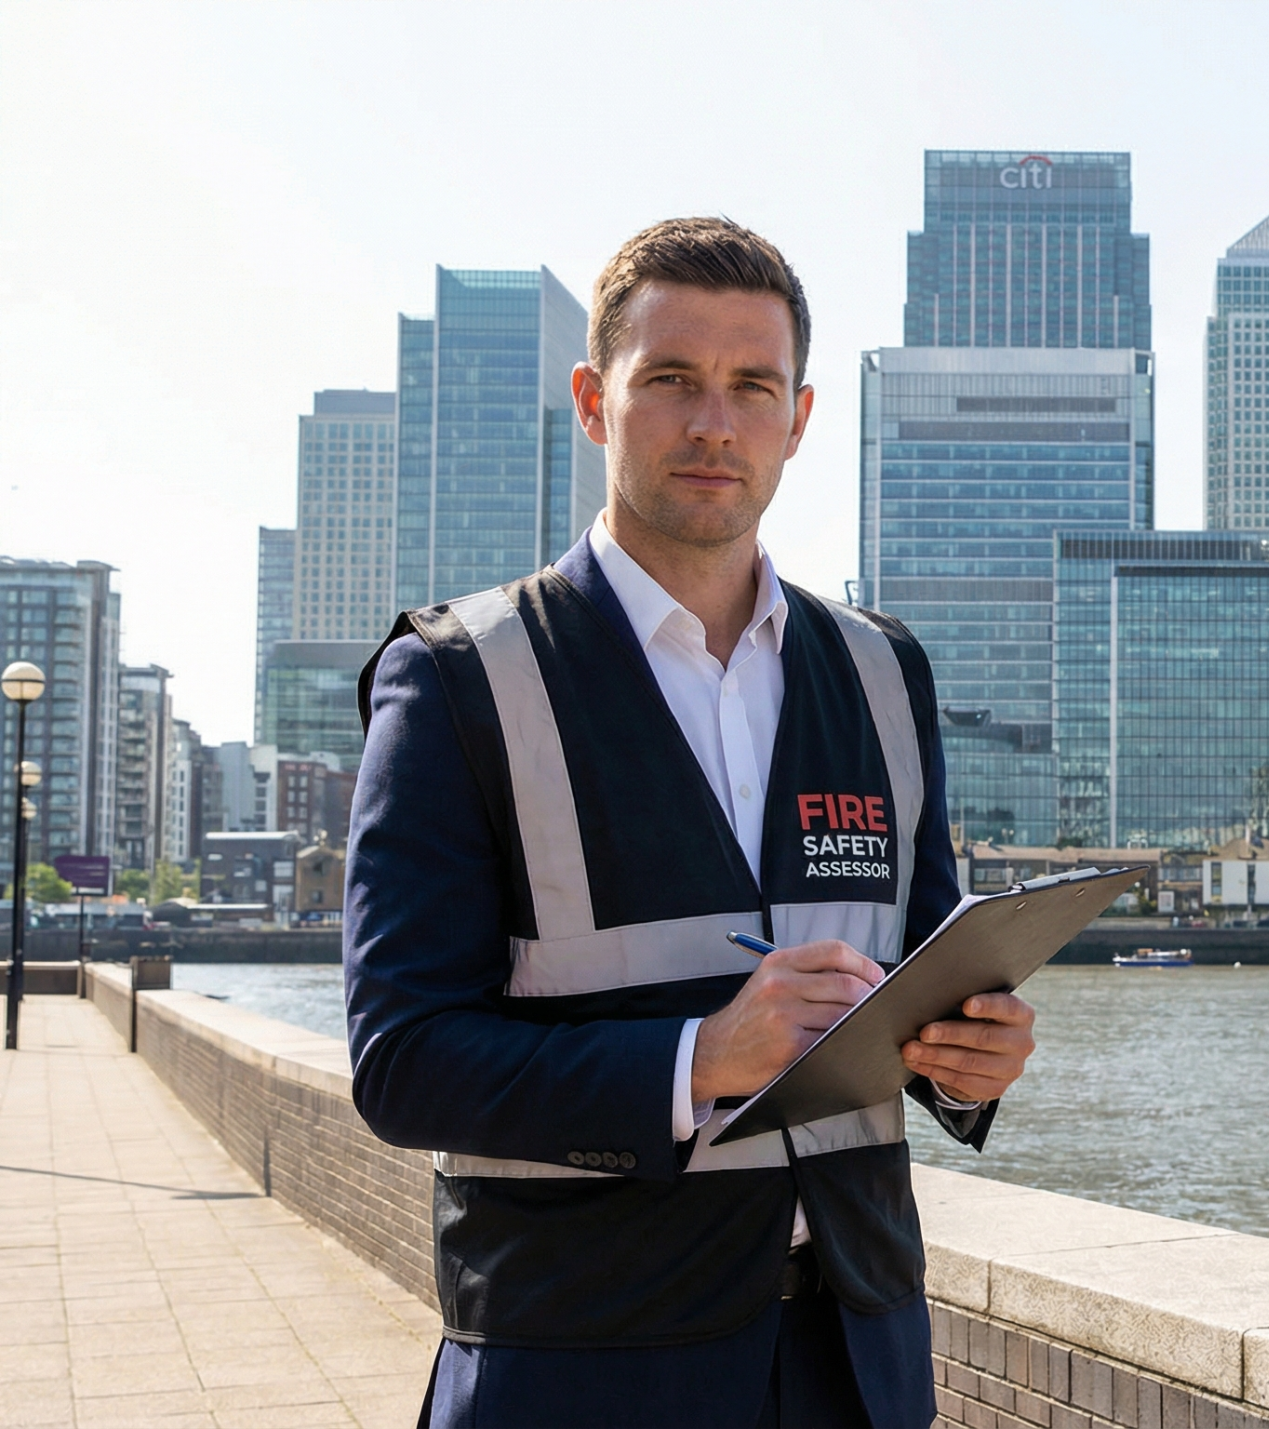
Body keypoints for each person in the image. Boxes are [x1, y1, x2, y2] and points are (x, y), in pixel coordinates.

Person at [344, 217, 1032, 1429]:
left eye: (752, 387)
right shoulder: (462, 677)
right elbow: (400, 1063)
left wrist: (966, 1063)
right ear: (593, 402)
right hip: (580, 1363)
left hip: (856, 1358)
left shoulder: (883, 671)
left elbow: (923, 966)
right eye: (671, 379)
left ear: (800, 419)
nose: (715, 422)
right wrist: (695, 1062)